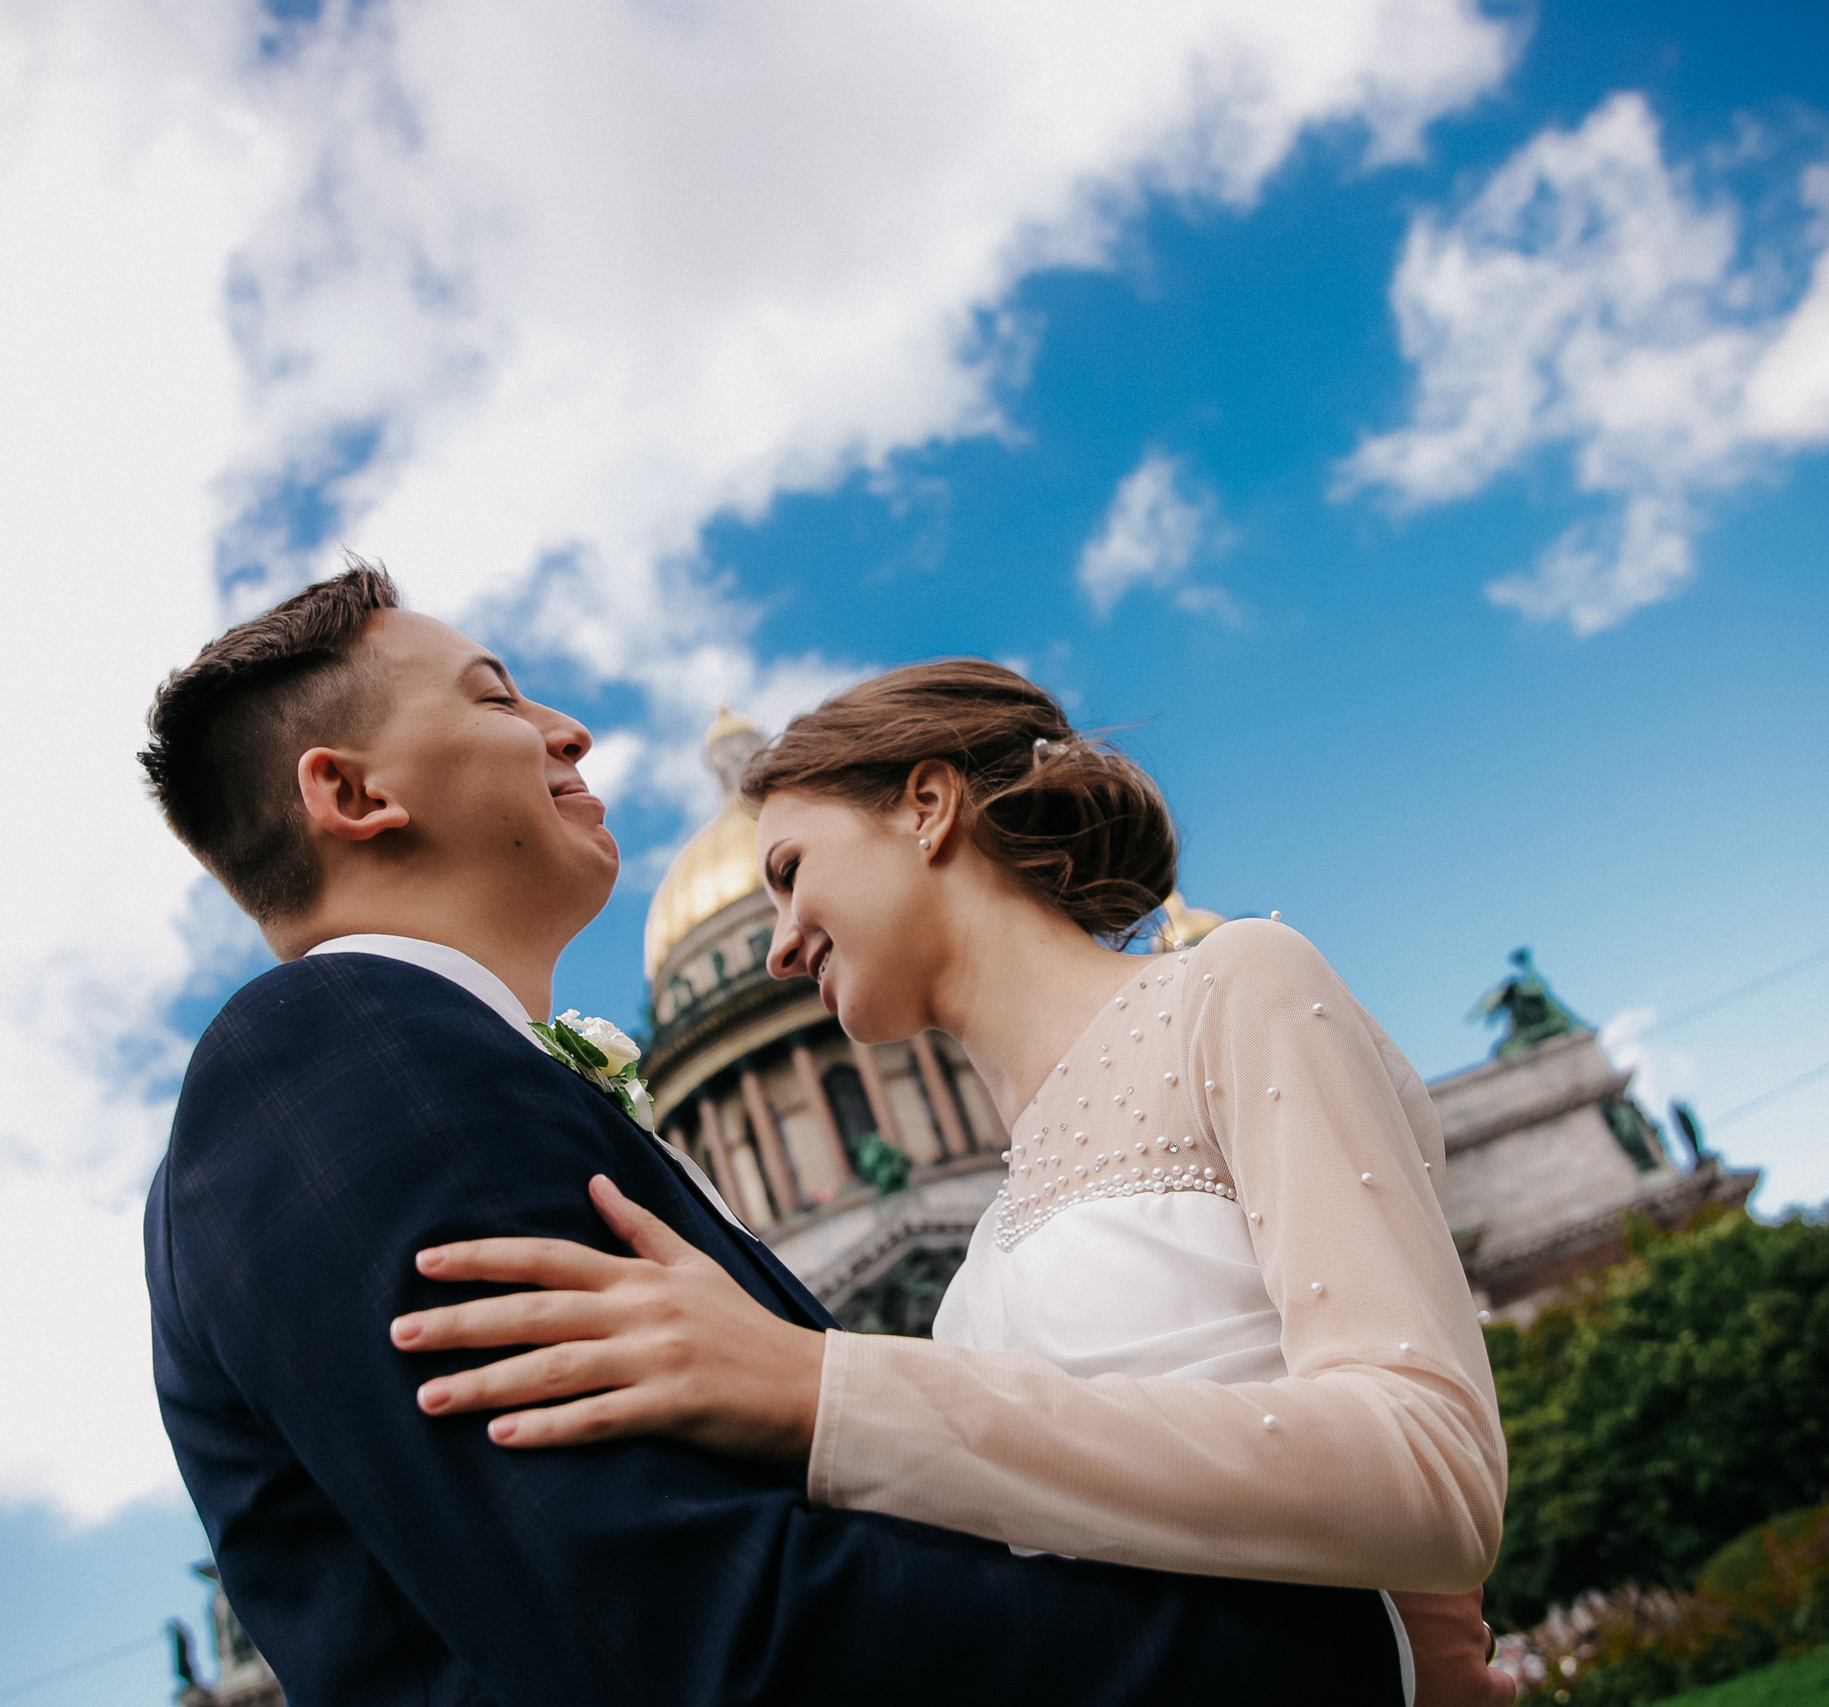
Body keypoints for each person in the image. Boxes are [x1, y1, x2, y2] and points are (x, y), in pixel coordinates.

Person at [139, 565, 1410, 1705]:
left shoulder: (412, 1067)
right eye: (494, 699)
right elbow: (693, 1630)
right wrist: (1356, 1660)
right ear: (352, 793)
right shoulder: (338, 1050)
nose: (566, 728)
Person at [386, 661, 1515, 1705]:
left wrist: (822, 1391)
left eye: (790, 873)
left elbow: (1431, 1470)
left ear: (927, 807)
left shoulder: (1231, 984)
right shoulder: (979, 1262)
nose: (780, 947)